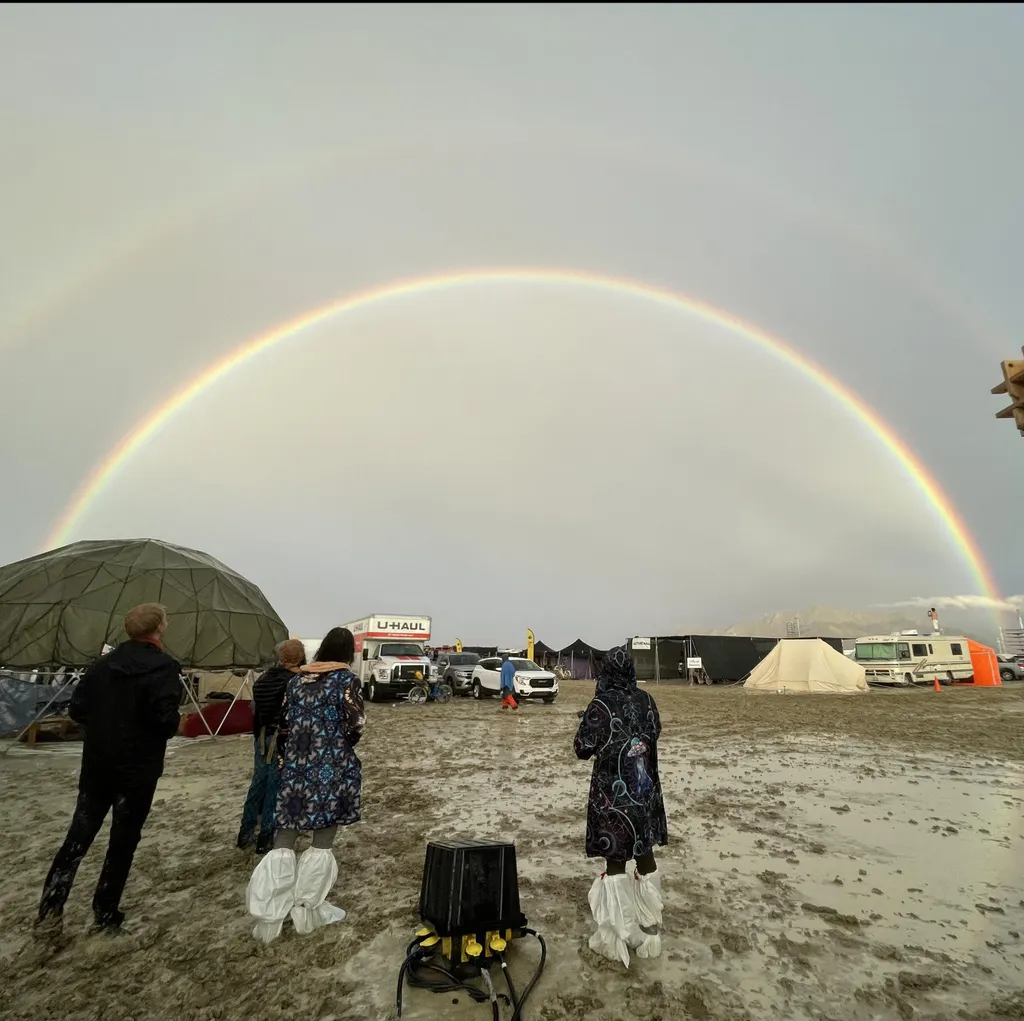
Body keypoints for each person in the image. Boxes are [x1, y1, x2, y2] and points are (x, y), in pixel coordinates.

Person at [37, 603, 182, 933]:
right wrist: (172, 721)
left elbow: (77, 709)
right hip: (137, 770)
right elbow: (164, 720)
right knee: (123, 842)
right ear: (159, 629)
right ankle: (105, 915)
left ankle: (50, 910)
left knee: (78, 837)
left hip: (99, 765)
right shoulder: (163, 667)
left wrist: (106, 726)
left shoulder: (102, 665)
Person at [245, 626, 365, 943]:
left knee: (285, 835)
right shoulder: (346, 681)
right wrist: (335, 743)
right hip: (331, 766)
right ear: (348, 653)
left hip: (296, 765)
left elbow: (282, 722)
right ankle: (307, 909)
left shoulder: (297, 680)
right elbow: (356, 724)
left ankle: (270, 913)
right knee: (322, 837)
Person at [573, 645, 667, 967]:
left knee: (616, 861)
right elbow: (654, 732)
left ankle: (618, 936)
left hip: (613, 800)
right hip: (644, 792)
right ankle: (650, 930)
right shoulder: (647, 700)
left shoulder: (601, 704)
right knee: (645, 854)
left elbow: (582, 748)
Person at [236, 638, 306, 854]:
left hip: (262, 737)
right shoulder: (295, 681)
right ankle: (266, 837)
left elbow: (256, 711)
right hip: (282, 739)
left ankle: (245, 833)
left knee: (258, 783)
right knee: (275, 788)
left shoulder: (265, 679)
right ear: (300, 657)